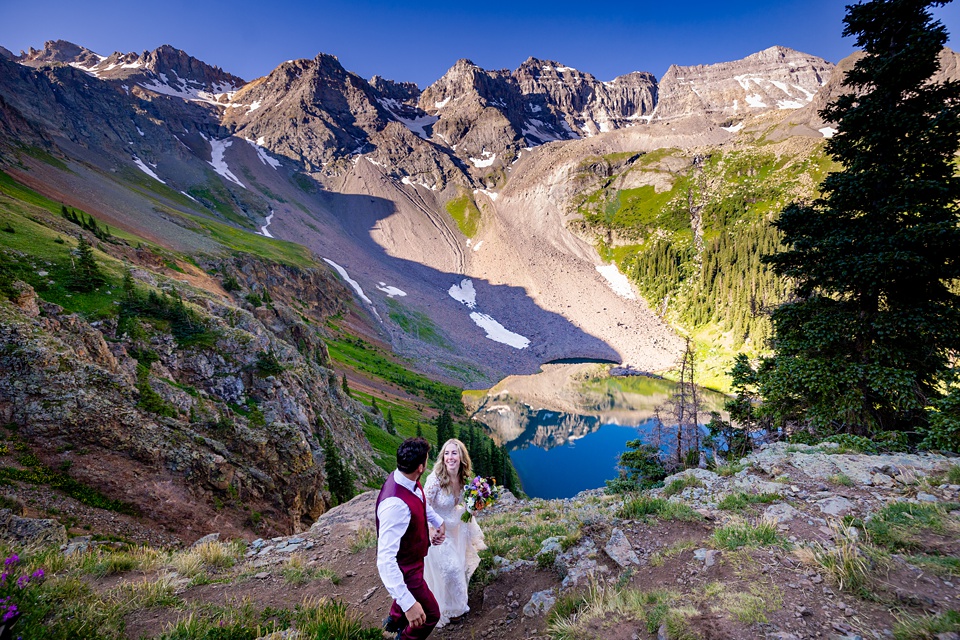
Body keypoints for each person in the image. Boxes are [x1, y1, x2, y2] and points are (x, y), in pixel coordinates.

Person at [376, 437, 446, 640]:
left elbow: (421, 503)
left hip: (413, 560)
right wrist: (409, 604)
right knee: (431, 615)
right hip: (406, 569)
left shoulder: (404, 478)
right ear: (421, 467)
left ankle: (394, 621)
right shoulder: (395, 507)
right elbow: (385, 560)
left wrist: (438, 521)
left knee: (412, 595)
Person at [422, 438, 487, 627]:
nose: (450, 457)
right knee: (450, 568)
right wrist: (431, 528)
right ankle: (443, 608)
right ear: (443, 457)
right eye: (447, 453)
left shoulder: (464, 479)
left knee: (457, 566)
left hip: (454, 525)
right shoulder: (435, 478)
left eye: (454, 453)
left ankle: (456, 609)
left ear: (461, 457)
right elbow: (423, 504)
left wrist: (474, 507)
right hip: (436, 529)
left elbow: (461, 505)